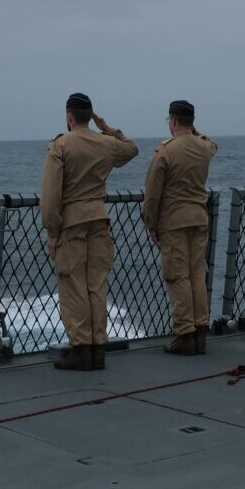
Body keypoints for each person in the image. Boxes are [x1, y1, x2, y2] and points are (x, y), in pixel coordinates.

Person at [40, 93, 138, 371]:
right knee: (96, 284)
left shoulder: (60, 145)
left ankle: (82, 348)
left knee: (73, 285)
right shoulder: (105, 143)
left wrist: (52, 230)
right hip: (99, 219)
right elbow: (131, 149)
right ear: (89, 116)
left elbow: (50, 194)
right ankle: (98, 347)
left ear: (69, 117)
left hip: (71, 223)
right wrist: (105, 127)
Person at [143, 99, 219, 355]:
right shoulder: (204, 147)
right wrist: (193, 131)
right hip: (199, 219)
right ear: (192, 122)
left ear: (172, 121)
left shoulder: (165, 152)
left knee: (177, 276)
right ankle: (200, 331)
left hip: (174, 222)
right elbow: (211, 144)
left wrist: (150, 223)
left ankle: (184, 332)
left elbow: (152, 194)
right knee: (197, 275)